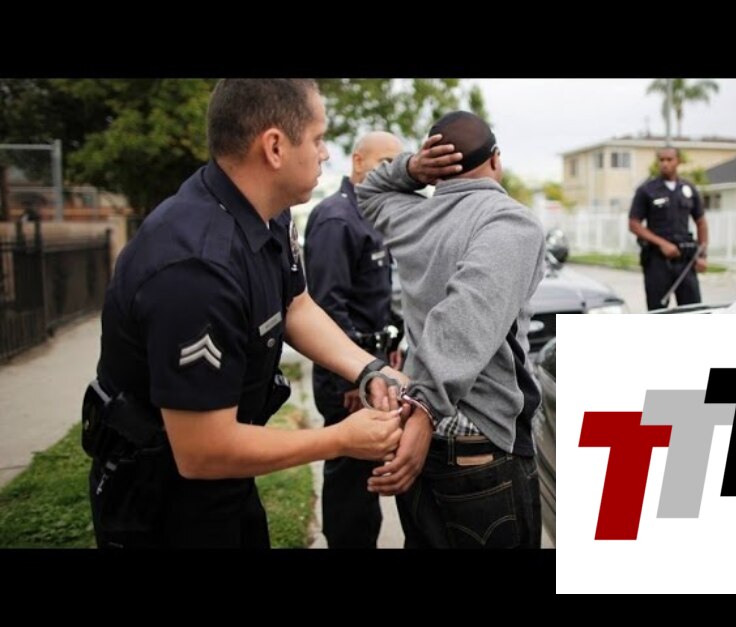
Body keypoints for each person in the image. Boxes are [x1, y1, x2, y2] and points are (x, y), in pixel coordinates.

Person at [84, 79, 409, 549]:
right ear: (274, 147)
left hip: (230, 480)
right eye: (318, 139)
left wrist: (369, 368)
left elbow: (295, 304)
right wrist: (341, 439)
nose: (325, 155)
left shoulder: (267, 212)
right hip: (163, 502)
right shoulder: (196, 268)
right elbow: (202, 452)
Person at [356, 111, 546, 549]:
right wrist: (426, 408)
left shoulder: (412, 216)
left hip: (417, 431)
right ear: (495, 159)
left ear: (435, 165)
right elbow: (465, 315)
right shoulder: (509, 222)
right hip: (479, 444)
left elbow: (369, 189)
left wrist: (410, 169)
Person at [304, 131, 404, 548]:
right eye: (384, 163)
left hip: (370, 367)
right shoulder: (337, 219)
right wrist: (353, 376)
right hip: (347, 376)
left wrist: (390, 346)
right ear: (358, 162)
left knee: (366, 479)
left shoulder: (372, 214)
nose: (392, 172)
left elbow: (375, 296)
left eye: (397, 164)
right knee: (350, 486)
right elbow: (327, 307)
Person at [628, 146, 709, 311]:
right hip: (657, 260)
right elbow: (634, 224)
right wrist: (662, 244)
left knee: (693, 310)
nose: (665, 164)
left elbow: (701, 223)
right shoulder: (646, 190)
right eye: (661, 160)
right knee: (658, 310)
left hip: (685, 260)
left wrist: (702, 255)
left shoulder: (688, 189)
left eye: (669, 160)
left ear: (678, 161)